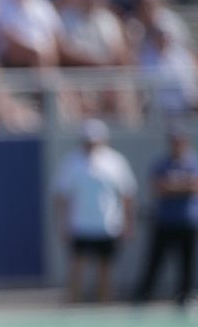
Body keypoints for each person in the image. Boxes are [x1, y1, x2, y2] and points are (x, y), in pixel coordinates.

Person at [53, 119, 137, 304]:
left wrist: (127, 223)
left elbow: (126, 195)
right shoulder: (72, 162)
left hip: (107, 225)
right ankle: (73, 308)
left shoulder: (115, 161)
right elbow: (62, 197)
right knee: (76, 268)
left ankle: (104, 308)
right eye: (87, 140)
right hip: (80, 224)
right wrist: (63, 224)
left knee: (105, 269)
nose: (90, 144)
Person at [133, 122, 198, 310]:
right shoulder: (161, 163)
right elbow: (158, 188)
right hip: (165, 220)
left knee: (186, 262)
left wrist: (173, 185)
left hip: (187, 220)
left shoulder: (192, 162)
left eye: (179, 140)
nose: (176, 144)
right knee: (155, 260)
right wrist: (181, 186)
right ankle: (143, 296)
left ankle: (184, 296)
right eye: (173, 141)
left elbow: (194, 186)